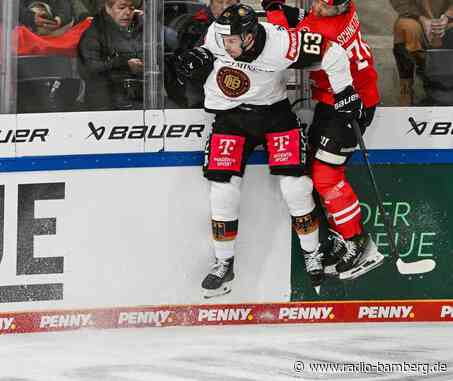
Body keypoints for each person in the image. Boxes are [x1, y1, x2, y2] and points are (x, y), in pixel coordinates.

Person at [174, 4, 361, 297]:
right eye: (224, 41)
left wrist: (345, 91)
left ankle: (311, 253)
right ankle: (224, 262)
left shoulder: (281, 43)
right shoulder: (217, 34)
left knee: (296, 188)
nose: (227, 46)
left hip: (275, 115)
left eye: (233, 41)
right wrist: (200, 57)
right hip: (231, 117)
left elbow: (334, 52)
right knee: (222, 191)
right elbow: (211, 49)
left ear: (249, 36)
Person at [263, 0, 385, 281]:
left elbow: (284, 47)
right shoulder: (346, 10)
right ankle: (344, 236)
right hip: (334, 101)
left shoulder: (323, 29)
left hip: (350, 104)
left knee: (326, 176)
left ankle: (358, 241)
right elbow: (306, 19)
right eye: (317, 0)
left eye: (326, 5)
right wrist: (290, 11)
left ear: (340, 8)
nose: (318, 7)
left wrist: (275, 12)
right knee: (317, 173)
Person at [78, 0, 143, 110]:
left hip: (137, 98)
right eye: (122, 7)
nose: (128, 12)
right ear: (108, 9)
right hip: (105, 102)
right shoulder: (93, 34)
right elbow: (89, 70)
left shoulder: (141, 29)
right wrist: (125, 64)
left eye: (131, 8)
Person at [390, 0, 453, 105]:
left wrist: (447, 16)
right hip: (416, 18)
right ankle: (406, 89)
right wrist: (420, 17)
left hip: (450, 19)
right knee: (404, 27)